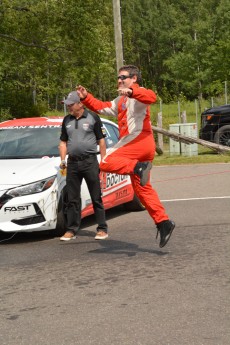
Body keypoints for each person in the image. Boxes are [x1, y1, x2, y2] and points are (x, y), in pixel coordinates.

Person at [77, 65, 175, 248]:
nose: (120, 80)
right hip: (142, 146)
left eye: (123, 77)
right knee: (142, 190)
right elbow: (102, 107)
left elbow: (151, 97)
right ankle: (164, 223)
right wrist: (86, 97)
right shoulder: (120, 99)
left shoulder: (139, 93)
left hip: (138, 141)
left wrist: (131, 92)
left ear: (134, 78)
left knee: (104, 161)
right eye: (119, 77)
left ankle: (137, 168)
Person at [59, 91, 108, 241]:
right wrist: (63, 160)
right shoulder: (66, 120)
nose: (68, 107)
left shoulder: (93, 117)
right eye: (67, 105)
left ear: (80, 104)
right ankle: (71, 230)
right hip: (72, 163)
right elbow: (63, 142)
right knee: (72, 198)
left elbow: (101, 141)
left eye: (71, 104)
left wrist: (104, 162)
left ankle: (102, 229)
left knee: (96, 196)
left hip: (90, 161)